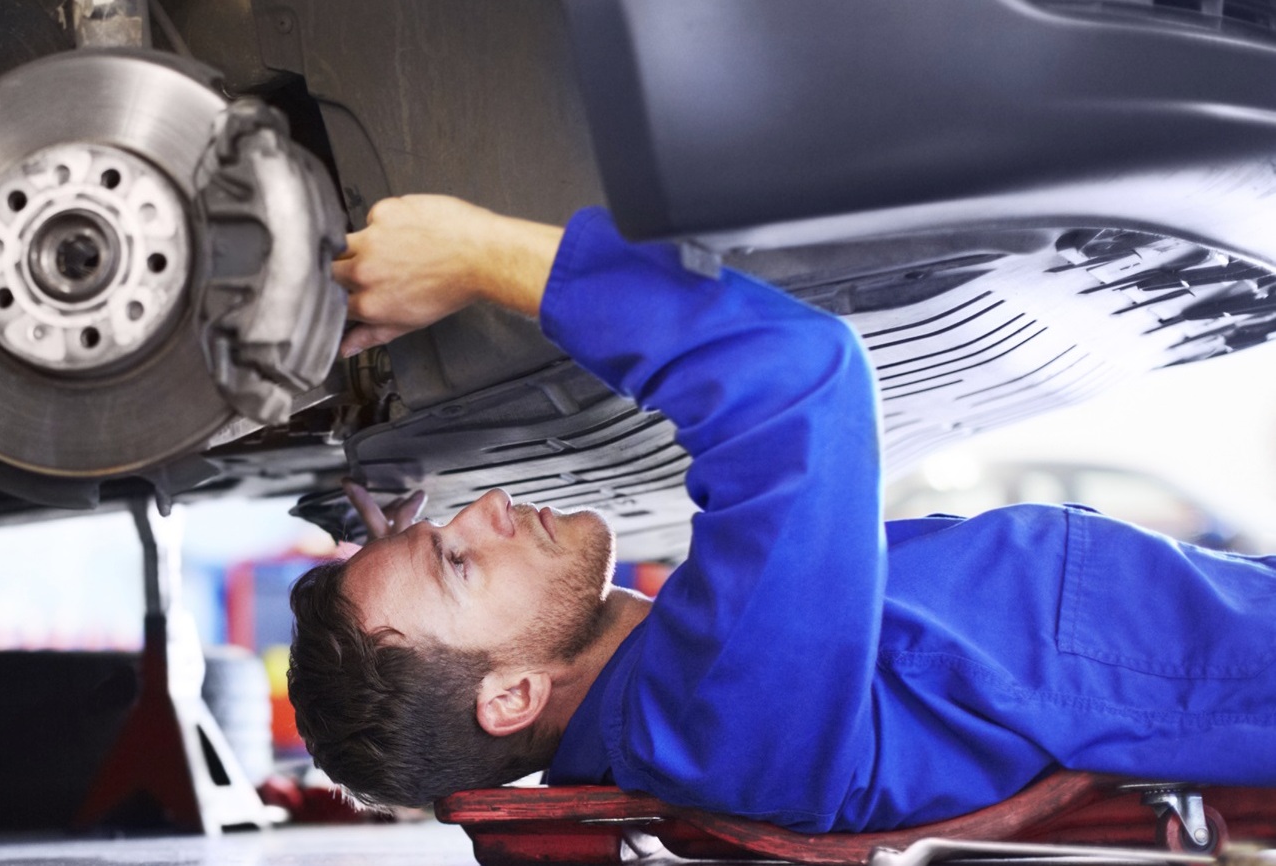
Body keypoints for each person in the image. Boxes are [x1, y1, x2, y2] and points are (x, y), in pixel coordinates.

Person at [287, 195, 1276, 833]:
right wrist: (477, 251)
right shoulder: (714, 716)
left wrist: (412, 555)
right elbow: (796, 382)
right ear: (508, 700)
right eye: (461, 560)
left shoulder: (685, 700)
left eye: (447, 525)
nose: (489, 505)